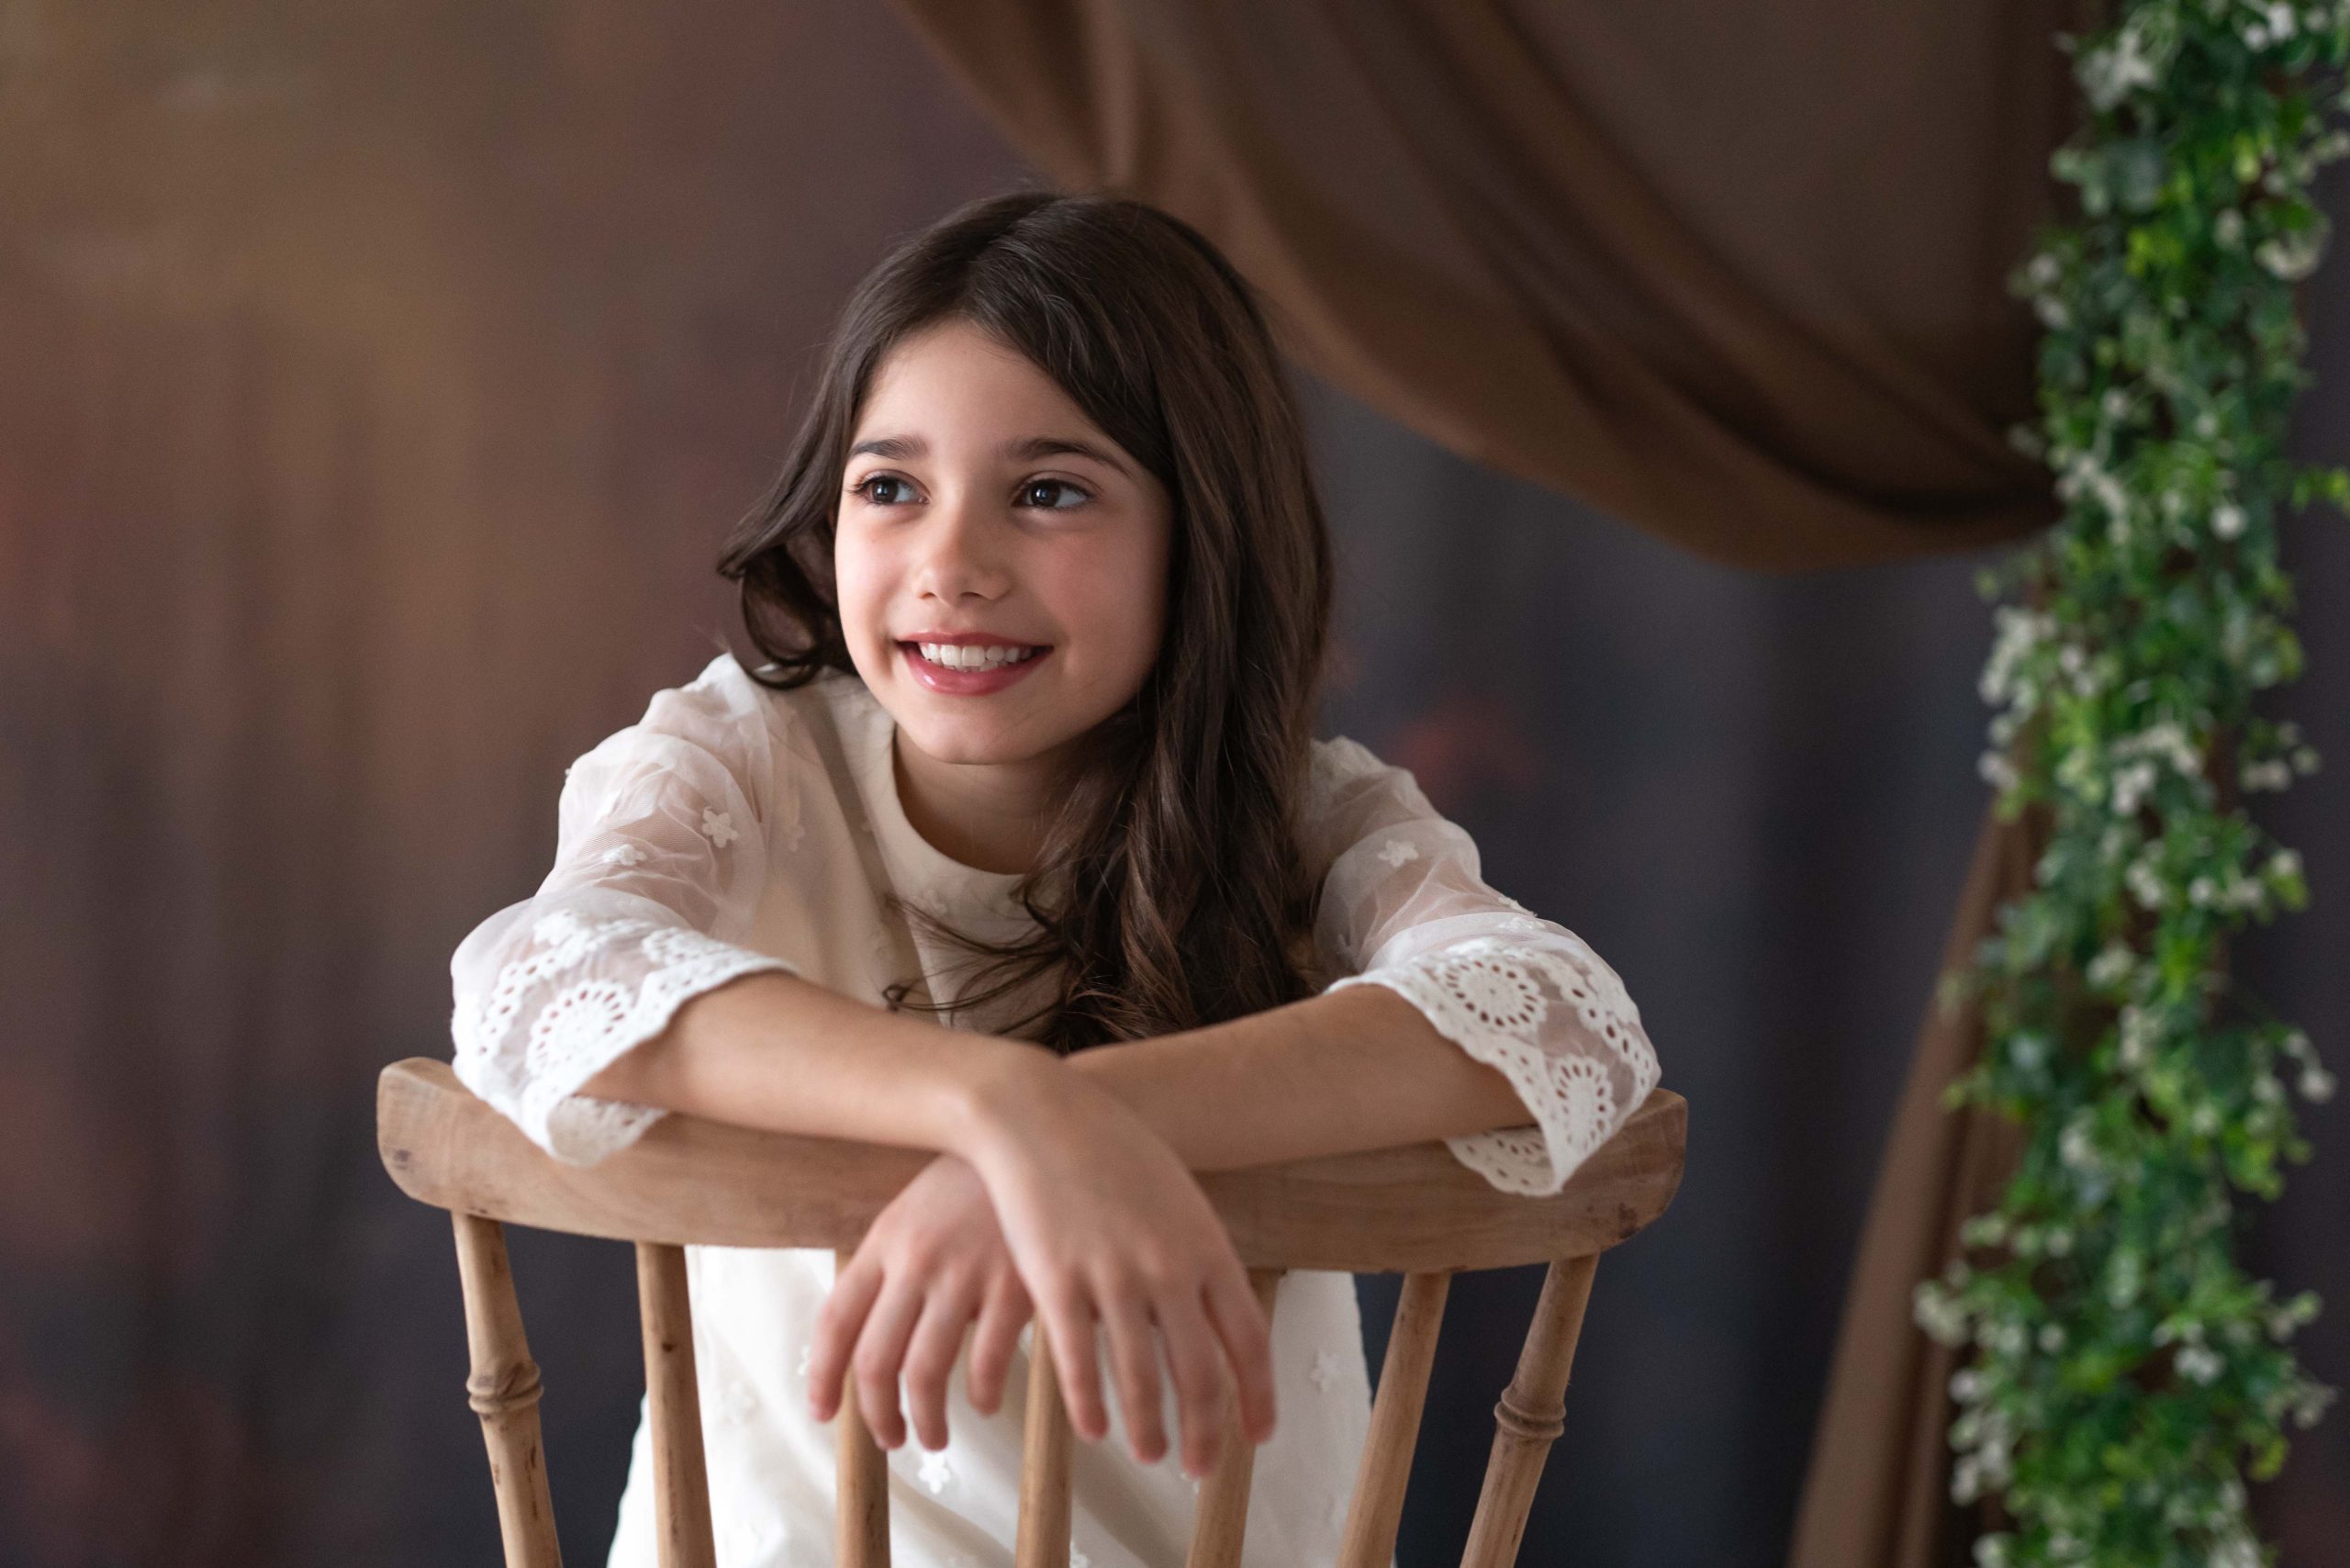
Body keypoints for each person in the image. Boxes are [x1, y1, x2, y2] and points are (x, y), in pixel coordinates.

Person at [447, 188, 1661, 1568]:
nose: (950, 565)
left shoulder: (1306, 815)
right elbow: (544, 975)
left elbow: (1556, 1015)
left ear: (1199, 533)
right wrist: (998, 1105)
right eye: (891, 487)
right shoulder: (747, 764)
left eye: (1049, 492)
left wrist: (1089, 1117)